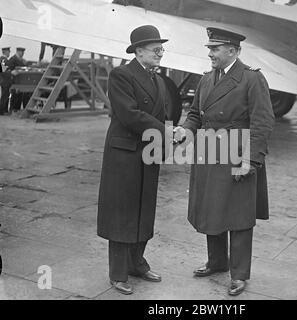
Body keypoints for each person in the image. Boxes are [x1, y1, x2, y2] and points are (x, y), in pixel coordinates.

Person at [174, 27, 275, 296]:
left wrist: (250, 161)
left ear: (232, 51)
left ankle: (239, 274)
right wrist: (186, 128)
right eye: (209, 48)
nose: (210, 53)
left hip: (237, 154)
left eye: (214, 49)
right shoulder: (207, 79)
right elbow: (195, 113)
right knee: (212, 208)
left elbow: (262, 122)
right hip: (209, 152)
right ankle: (217, 262)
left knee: (239, 216)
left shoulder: (252, 79)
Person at [97, 25, 173, 295]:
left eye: (162, 49)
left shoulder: (159, 80)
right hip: (125, 154)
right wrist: (164, 131)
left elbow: (162, 115)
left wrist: (166, 139)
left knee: (144, 209)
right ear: (139, 51)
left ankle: (137, 264)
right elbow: (129, 114)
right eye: (156, 49)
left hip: (147, 153)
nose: (161, 53)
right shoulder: (121, 75)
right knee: (122, 213)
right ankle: (118, 273)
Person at [7, 47, 29, 112]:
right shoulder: (12, 59)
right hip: (14, 80)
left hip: (21, 81)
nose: (23, 54)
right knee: (14, 96)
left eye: (23, 52)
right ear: (18, 52)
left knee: (19, 96)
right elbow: (8, 69)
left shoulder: (22, 60)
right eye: (22, 52)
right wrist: (12, 72)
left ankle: (17, 109)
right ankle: (12, 109)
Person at [0, 47, 11, 115]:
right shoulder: (3, 60)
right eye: (8, 51)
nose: (9, 52)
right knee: (4, 96)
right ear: (5, 52)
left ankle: (4, 110)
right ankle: (1, 110)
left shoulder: (3, 59)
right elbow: (3, 71)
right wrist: (11, 72)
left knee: (5, 95)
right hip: (4, 80)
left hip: (4, 80)